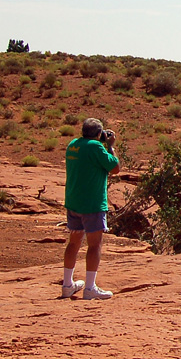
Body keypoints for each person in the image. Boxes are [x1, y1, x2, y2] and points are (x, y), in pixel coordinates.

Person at [61, 118, 121, 299]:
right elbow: (115, 167)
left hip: (74, 202)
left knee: (74, 242)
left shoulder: (73, 145)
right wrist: (110, 146)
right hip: (92, 204)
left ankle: (67, 285)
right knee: (95, 245)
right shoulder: (96, 147)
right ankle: (89, 288)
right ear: (98, 133)